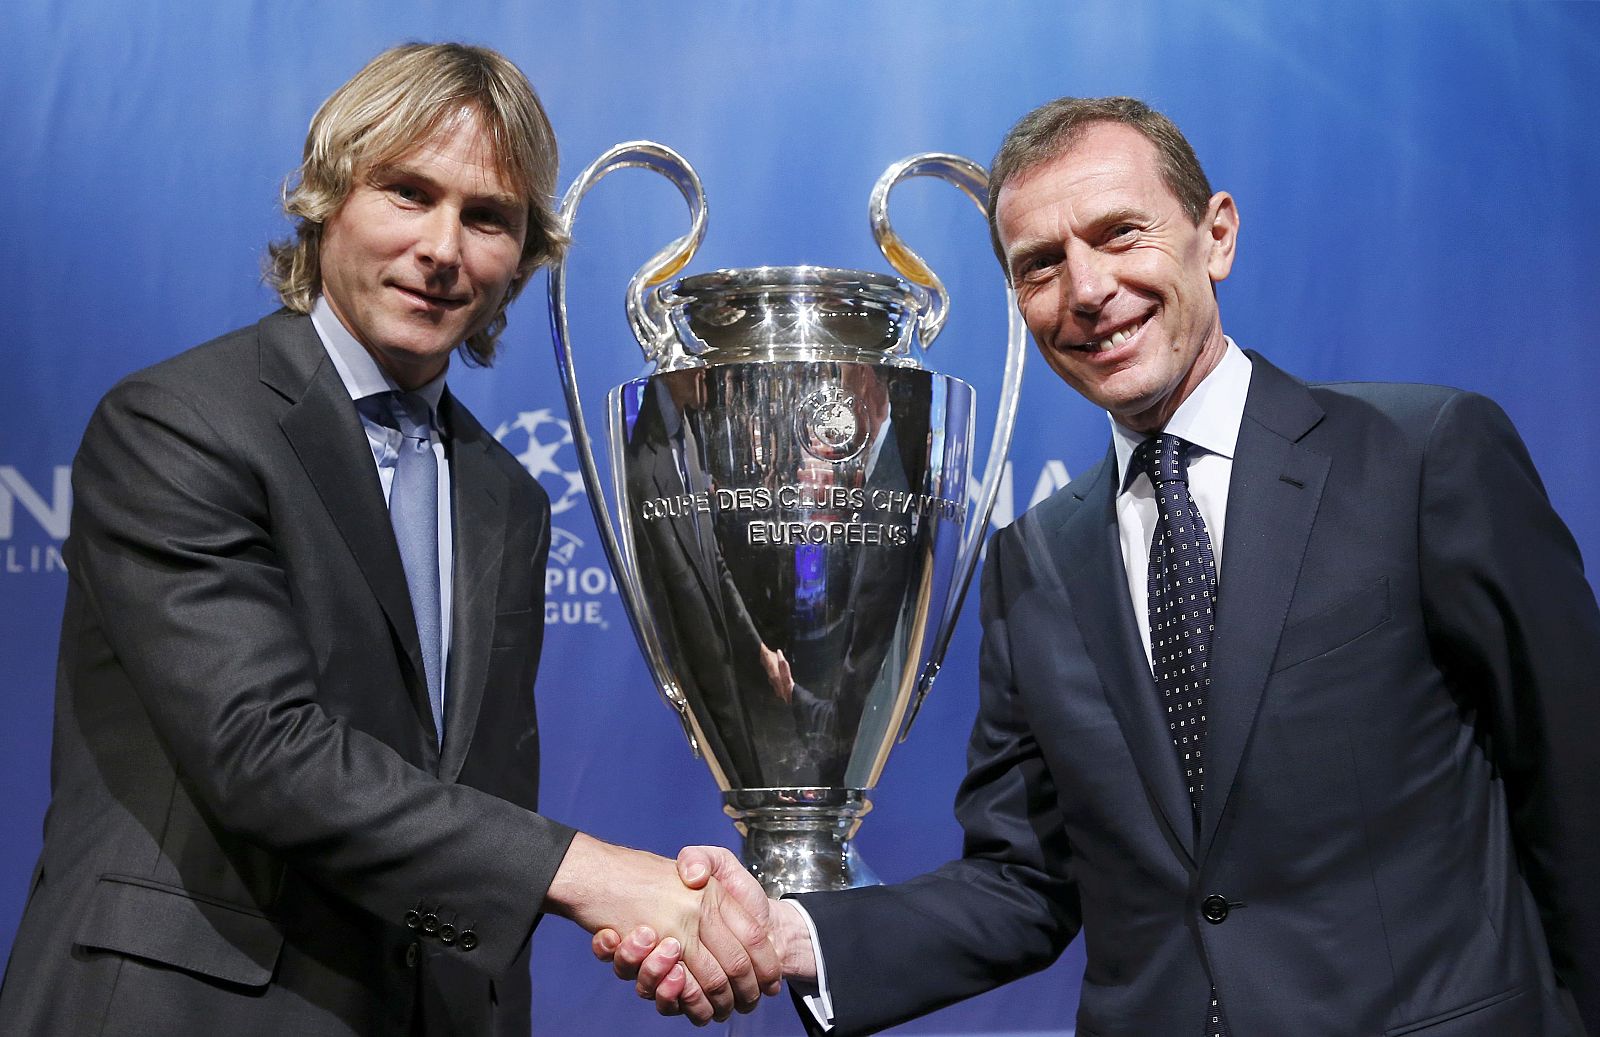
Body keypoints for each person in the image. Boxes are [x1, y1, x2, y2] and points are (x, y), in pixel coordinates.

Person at [603, 96, 1600, 1036]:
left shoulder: (1419, 456)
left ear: (1215, 234)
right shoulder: (1034, 559)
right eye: (1039, 265)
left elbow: (1574, 776)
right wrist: (794, 933)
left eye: (1119, 233)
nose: (1086, 290)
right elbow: (1023, 880)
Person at [0, 42, 775, 1036]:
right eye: (407, 193)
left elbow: (466, 797)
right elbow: (260, 748)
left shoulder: (505, 496)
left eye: (487, 217)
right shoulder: (180, 421)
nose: (444, 247)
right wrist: (598, 876)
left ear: (521, 258)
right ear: (327, 199)